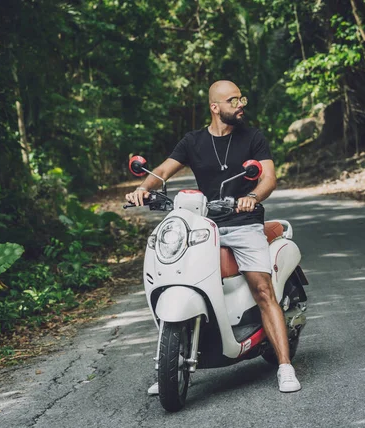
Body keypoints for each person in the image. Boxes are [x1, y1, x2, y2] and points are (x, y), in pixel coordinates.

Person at [125, 80, 301, 393]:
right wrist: (143, 188)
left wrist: (253, 197)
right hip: (205, 226)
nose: (241, 104)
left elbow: (269, 178)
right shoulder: (193, 141)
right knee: (178, 275)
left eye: (241, 98)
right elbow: (163, 171)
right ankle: (171, 362)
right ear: (215, 107)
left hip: (245, 223)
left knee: (262, 288)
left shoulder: (253, 137)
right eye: (233, 100)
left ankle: (285, 366)